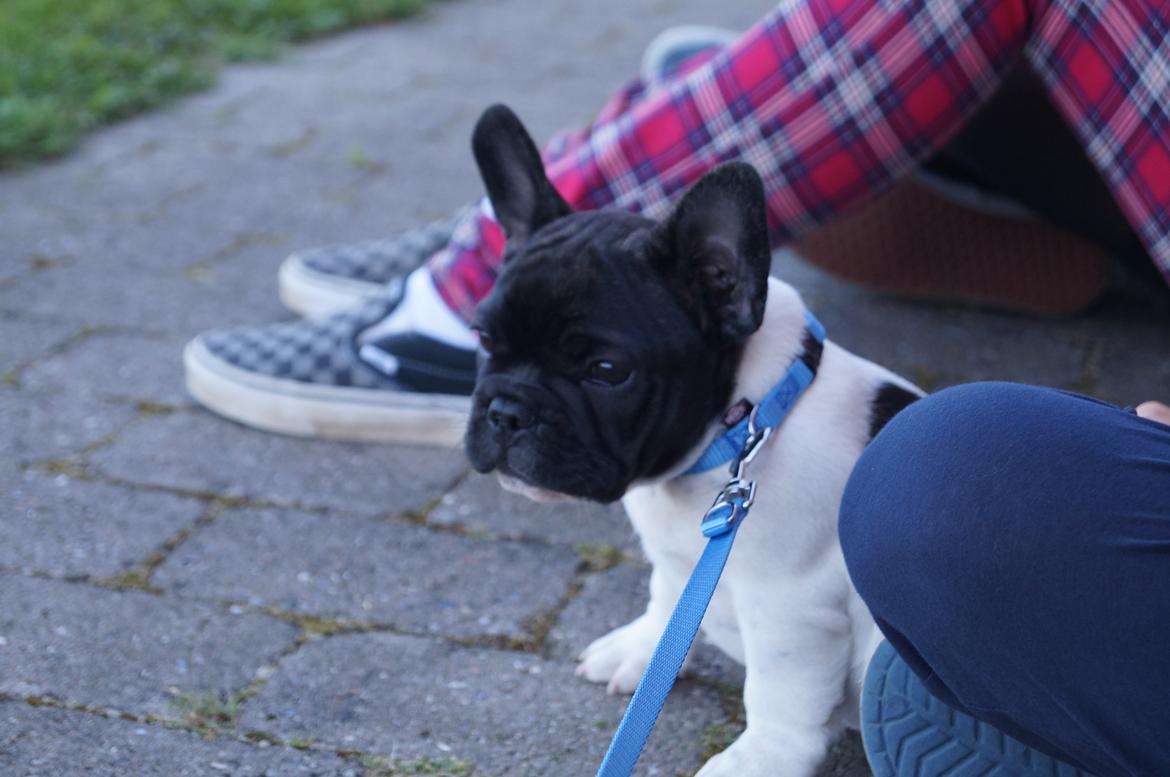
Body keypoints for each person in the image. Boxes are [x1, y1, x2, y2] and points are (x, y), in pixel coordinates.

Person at [182, 3, 1170, 774]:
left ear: (722, 294)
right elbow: (668, 521)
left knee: (784, 591)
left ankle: (804, 733)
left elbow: (794, 606)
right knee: (670, 504)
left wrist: (776, 743)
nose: (512, 405)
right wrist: (666, 619)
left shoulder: (811, 442)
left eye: (603, 369)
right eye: (497, 352)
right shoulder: (708, 401)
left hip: (886, 634)